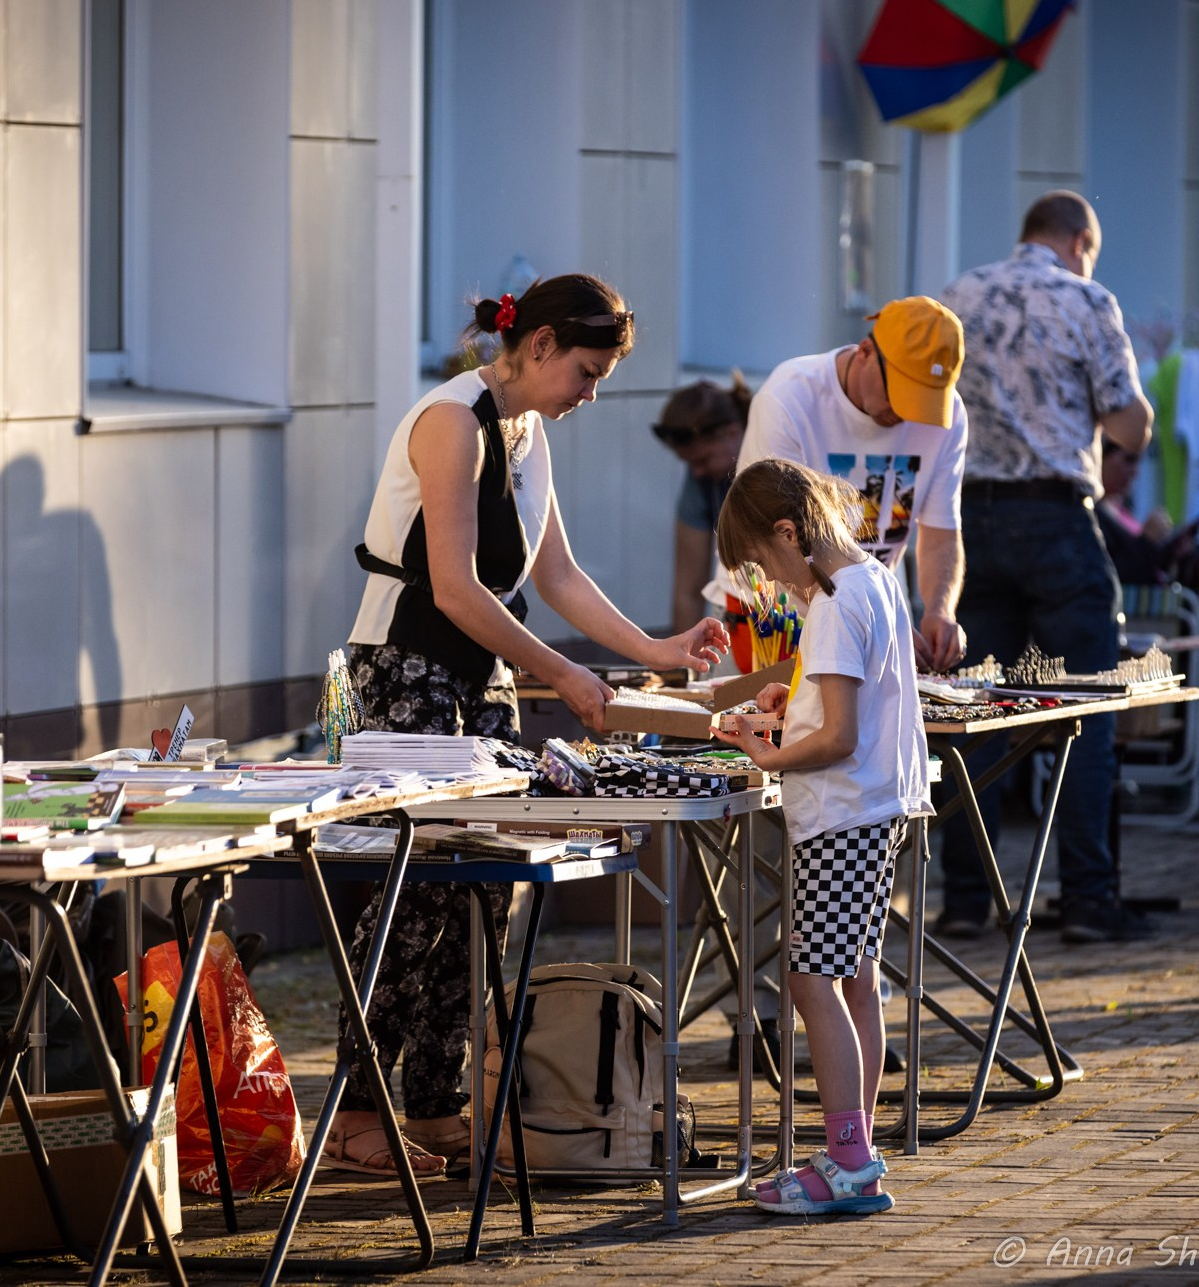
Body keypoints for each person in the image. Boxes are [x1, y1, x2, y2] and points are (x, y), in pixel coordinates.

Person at [329, 275, 728, 1176]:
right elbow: (454, 588)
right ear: (539, 345)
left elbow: (558, 577)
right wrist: (563, 672)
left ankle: (436, 1103)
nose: (591, 395)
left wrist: (657, 650)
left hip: (481, 671)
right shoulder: (450, 421)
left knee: (485, 892)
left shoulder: (526, 429)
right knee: (419, 889)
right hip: (406, 666)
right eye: (587, 373)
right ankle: (354, 1108)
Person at [710, 458, 930, 1216]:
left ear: (787, 531)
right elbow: (846, 700)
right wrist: (794, 693)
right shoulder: (873, 579)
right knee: (855, 979)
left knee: (810, 982)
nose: (768, 581)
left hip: (841, 817)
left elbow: (837, 738)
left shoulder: (833, 602)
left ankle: (849, 1162)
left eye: (762, 562)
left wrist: (764, 753)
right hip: (877, 810)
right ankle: (853, 1149)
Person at [937, 190, 1157, 944]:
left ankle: (965, 900)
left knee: (974, 715)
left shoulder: (959, 294)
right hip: (1056, 518)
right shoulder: (1087, 299)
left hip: (968, 521)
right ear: (1078, 242)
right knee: (1084, 710)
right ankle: (1088, 899)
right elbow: (1129, 423)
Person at [735, 297, 969, 672]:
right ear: (864, 352)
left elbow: (941, 530)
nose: (908, 413)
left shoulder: (950, 416)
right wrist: (876, 619)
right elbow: (776, 543)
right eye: (902, 392)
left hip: (870, 612)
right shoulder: (789, 398)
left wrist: (940, 610)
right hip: (775, 613)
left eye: (925, 399)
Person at [654, 375, 752, 634]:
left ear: (733, 432)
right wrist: (684, 654)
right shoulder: (703, 479)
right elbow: (688, 590)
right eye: (690, 463)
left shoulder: (776, 463)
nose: (696, 472)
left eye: (703, 460)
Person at [1096, 437, 1197, 586]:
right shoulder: (1087, 516)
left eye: (1138, 462)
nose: (1135, 471)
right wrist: (1146, 541)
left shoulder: (1119, 510)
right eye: (1129, 460)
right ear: (1100, 456)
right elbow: (1106, 576)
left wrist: (1172, 553)